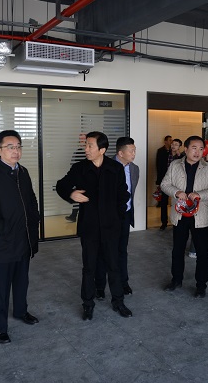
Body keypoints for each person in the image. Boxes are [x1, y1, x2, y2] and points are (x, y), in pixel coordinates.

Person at [56, 131, 133, 320]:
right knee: (89, 267)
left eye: (90, 145)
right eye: (86, 145)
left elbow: (123, 194)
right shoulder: (80, 168)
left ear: (102, 149)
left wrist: (117, 216)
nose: (86, 149)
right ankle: (88, 304)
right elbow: (61, 185)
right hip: (89, 227)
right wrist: (71, 194)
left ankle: (118, 301)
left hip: (111, 227)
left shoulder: (115, 168)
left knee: (113, 265)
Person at [0, 130, 40, 344]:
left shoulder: (23, 172)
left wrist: (35, 219)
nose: (16, 151)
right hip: (5, 239)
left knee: (22, 279)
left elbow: (31, 199)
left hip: (25, 236)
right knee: (1, 285)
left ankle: (21, 311)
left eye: (18, 146)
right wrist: (2, 228)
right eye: (10, 147)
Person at [160, 136, 208, 298]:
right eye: (194, 148)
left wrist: (199, 195)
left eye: (201, 149)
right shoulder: (175, 165)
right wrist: (176, 192)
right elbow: (164, 184)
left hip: (200, 216)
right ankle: (176, 280)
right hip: (180, 214)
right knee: (177, 250)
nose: (197, 152)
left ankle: (201, 285)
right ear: (185, 149)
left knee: (202, 252)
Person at [95, 137, 138, 298]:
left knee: (121, 250)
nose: (134, 154)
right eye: (131, 151)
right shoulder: (105, 166)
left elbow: (131, 194)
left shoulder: (134, 169)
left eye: (134, 150)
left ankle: (123, 282)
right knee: (103, 251)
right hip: (107, 217)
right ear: (120, 153)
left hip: (125, 215)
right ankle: (100, 286)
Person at [65, 134, 87, 222]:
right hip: (79, 178)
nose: (81, 141)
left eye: (83, 139)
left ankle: (74, 216)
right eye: (80, 139)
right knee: (78, 196)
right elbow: (73, 163)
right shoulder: (78, 151)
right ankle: (73, 216)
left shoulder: (89, 152)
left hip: (85, 178)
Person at [156, 135, 173, 230]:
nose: (171, 142)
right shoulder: (160, 151)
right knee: (163, 202)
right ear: (165, 141)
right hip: (164, 179)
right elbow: (158, 166)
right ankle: (164, 222)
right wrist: (158, 181)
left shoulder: (174, 152)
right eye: (170, 140)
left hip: (174, 180)